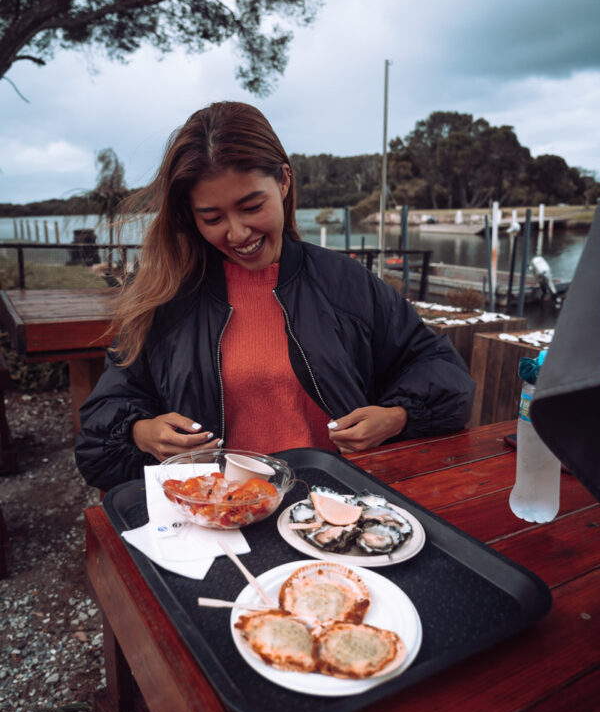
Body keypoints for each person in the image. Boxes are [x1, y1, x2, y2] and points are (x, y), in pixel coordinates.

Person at [75, 101, 475, 491]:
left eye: (251, 206)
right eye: (211, 218)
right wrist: (143, 432)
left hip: (333, 512)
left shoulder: (347, 282)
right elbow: (99, 427)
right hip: (216, 519)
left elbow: (443, 370)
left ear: (283, 180)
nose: (236, 233)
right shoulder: (166, 300)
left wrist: (397, 416)